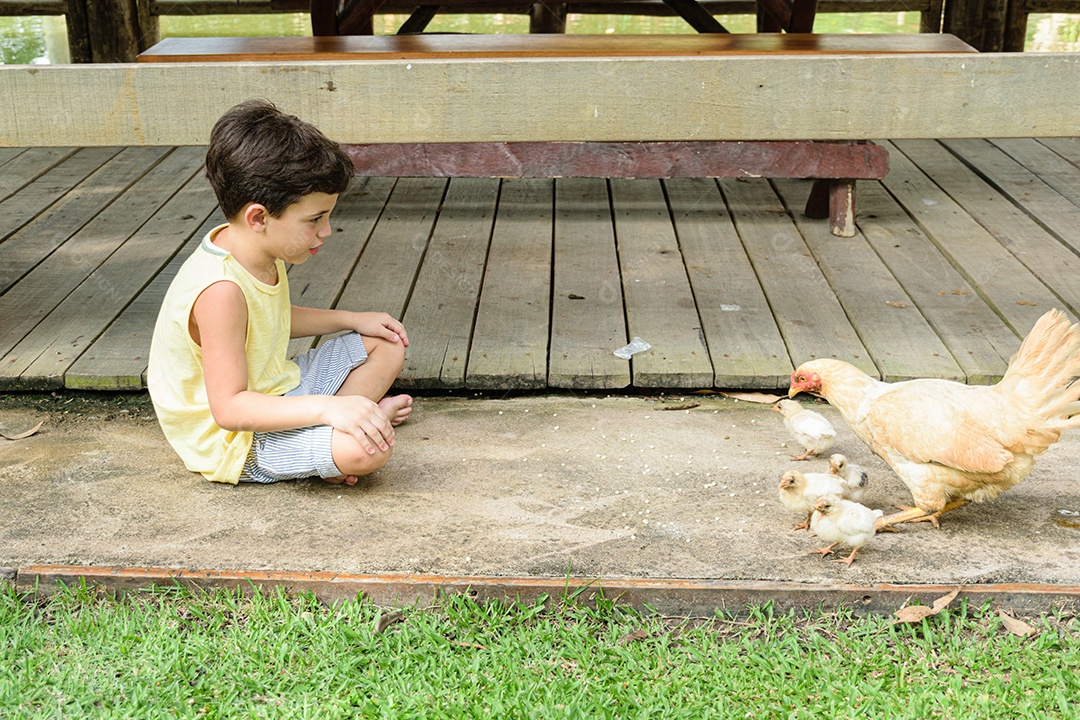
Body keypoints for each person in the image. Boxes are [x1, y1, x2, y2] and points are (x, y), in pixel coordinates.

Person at [148, 100, 412, 486]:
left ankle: (348, 423)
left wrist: (352, 320)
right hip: (238, 440)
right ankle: (349, 427)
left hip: (277, 388)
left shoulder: (255, 249)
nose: (326, 231)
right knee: (368, 452)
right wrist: (327, 408)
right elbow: (230, 409)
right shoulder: (220, 290)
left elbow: (272, 317)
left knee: (387, 343)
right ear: (259, 217)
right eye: (315, 219)